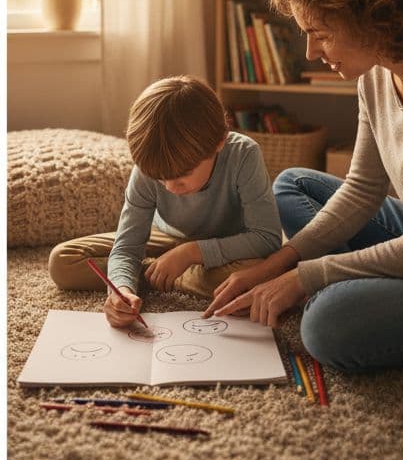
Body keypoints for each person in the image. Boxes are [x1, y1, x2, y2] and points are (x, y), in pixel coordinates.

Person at [203, 0, 403, 372]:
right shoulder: (375, 71)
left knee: (325, 326)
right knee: (292, 183)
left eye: (322, 33)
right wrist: (276, 265)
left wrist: (307, 276)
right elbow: (362, 188)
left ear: (370, 13)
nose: (311, 53)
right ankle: (354, 284)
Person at [48, 75, 281, 328]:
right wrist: (120, 289)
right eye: (160, 179)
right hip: (166, 236)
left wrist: (192, 253)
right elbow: (128, 245)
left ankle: (164, 274)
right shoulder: (150, 166)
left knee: (259, 272)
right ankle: (156, 273)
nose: (170, 187)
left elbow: (266, 238)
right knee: (64, 261)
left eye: (182, 177)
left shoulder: (243, 155)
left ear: (219, 143)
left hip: (227, 246)